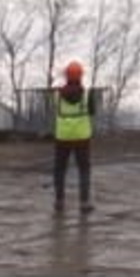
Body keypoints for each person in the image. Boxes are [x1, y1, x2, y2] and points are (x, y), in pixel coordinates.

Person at [53, 60, 96, 213]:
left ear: (66, 76)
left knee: (60, 169)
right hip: (82, 138)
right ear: (81, 76)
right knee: (84, 169)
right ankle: (84, 203)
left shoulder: (57, 95)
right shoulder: (87, 94)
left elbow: (56, 111)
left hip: (62, 137)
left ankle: (59, 201)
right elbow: (92, 112)